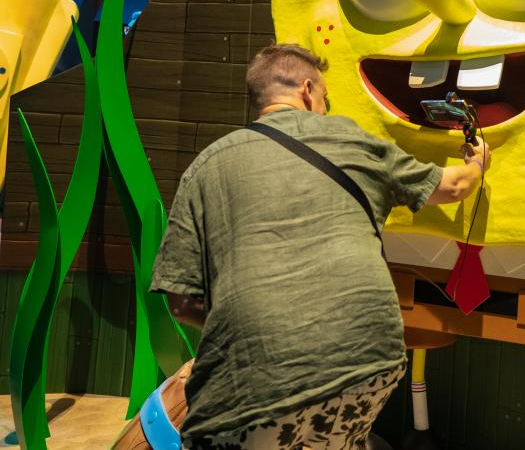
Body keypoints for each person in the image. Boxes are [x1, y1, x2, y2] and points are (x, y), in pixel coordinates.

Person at [150, 43, 490, 449]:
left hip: (253, 389)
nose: (325, 109)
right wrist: (478, 161)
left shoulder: (205, 167)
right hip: (369, 361)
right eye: (326, 98)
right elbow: (453, 187)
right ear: (307, 90)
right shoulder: (351, 138)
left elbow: (180, 303)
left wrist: (253, 333)